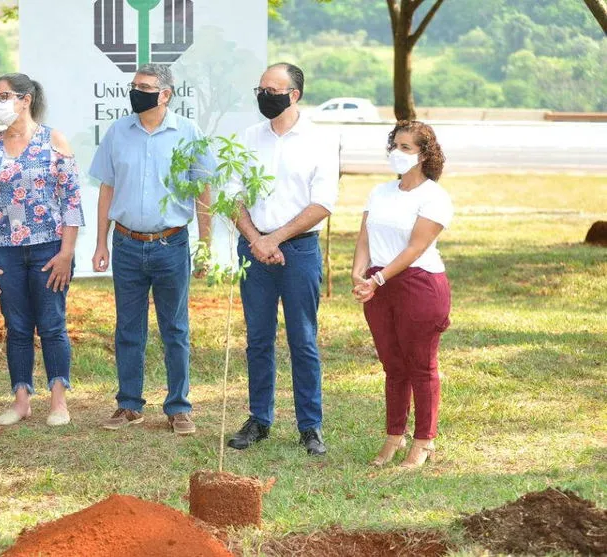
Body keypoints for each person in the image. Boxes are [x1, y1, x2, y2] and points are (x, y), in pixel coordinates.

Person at [89, 63, 214, 436]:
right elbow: (106, 188)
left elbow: (203, 191)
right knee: (128, 328)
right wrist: (100, 242)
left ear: (165, 94)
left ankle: (178, 407)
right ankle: (129, 404)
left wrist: (204, 245)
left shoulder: (189, 133)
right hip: (126, 243)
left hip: (171, 244)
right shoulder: (117, 132)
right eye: (133, 85)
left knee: (175, 328)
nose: (135, 91)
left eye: (144, 86)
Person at [226, 63, 339, 456]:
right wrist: (257, 240)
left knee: (302, 340)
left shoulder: (320, 141)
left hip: (299, 251)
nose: (263, 96)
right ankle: (259, 419)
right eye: (259, 89)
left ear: (294, 95)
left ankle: (310, 426)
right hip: (254, 251)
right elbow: (233, 196)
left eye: (271, 90)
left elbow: (322, 203)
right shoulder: (246, 138)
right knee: (257, 340)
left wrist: (275, 238)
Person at [0, 73, 85, 427]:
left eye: (3, 96)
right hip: (2, 251)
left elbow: (72, 201)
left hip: (49, 248)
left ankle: (59, 402)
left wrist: (66, 252)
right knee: (17, 327)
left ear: (25, 99)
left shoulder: (54, 141)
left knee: (52, 325)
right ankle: (21, 401)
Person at [351, 120, 453, 468]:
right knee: (393, 366)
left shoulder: (435, 197)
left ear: (424, 154)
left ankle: (425, 441)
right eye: (395, 145)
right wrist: (358, 272)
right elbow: (365, 236)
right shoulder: (379, 192)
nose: (398, 152)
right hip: (379, 286)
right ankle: (394, 435)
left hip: (419, 285)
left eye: (406, 147)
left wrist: (377, 279)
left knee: (421, 366)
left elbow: (414, 248)